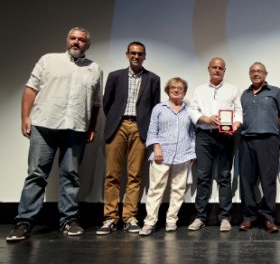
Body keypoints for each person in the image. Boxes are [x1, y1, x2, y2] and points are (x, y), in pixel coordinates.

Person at [6, 27, 102, 241]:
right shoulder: (48, 60)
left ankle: (69, 220)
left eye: (81, 40)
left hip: (76, 128)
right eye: (73, 38)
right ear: (67, 40)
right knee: (37, 174)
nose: (76, 42)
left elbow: (96, 102)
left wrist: (92, 126)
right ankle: (24, 222)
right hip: (44, 125)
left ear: (88, 44)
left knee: (71, 175)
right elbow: (31, 89)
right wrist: (25, 118)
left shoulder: (94, 69)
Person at [97, 41, 161, 235]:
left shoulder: (153, 79)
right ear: (127, 54)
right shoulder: (115, 76)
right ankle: (110, 218)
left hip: (140, 129)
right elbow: (107, 103)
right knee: (112, 175)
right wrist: (118, 120)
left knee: (135, 176)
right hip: (118, 126)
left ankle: (130, 217)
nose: (136, 56)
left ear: (144, 56)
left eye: (140, 54)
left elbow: (155, 107)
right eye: (133, 53)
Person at [187, 57, 242, 232]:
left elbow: (239, 112)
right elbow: (192, 110)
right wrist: (205, 118)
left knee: (224, 176)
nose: (217, 70)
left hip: (225, 137)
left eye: (220, 68)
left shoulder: (233, 89)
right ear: (208, 69)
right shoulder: (199, 90)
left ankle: (225, 217)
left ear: (224, 70)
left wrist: (236, 124)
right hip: (204, 136)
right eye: (214, 67)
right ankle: (199, 217)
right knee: (203, 177)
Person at [139, 77, 196, 236]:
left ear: (184, 91)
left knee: (178, 190)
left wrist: (192, 153)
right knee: (156, 189)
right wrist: (156, 147)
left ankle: (171, 220)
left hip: (183, 155)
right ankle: (149, 222)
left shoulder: (188, 110)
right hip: (161, 155)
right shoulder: (159, 108)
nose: (176, 90)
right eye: (173, 87)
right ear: (168, 90)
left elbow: (192, 133)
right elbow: (152, 130)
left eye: (180, 88)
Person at [238, 62, 280, 233]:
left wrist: (270, 128)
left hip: (269, 140)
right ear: (249, 74)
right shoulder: (244, 94)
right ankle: (248, 218)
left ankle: (268, 219)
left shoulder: (275, 91)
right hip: (246, 141)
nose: (256, 74)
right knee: (246, 181)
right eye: (253, 71)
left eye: (259, 71)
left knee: (268, 181)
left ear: (265, 74)